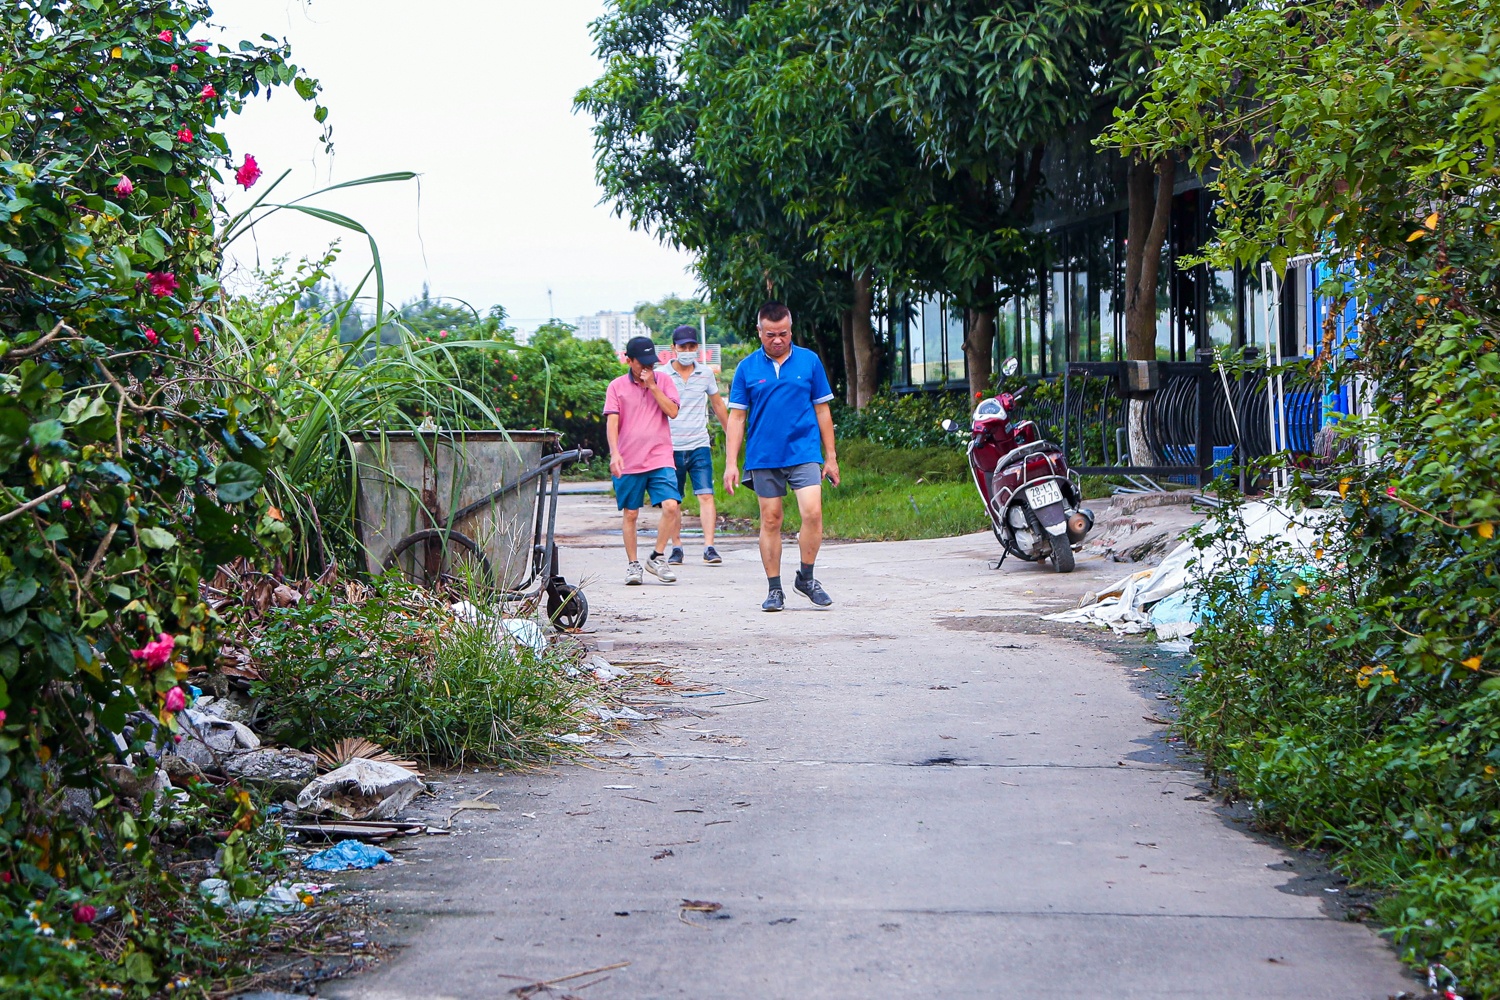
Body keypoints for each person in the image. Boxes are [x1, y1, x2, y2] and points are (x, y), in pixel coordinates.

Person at [723, 301, 840, 612]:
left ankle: (806, 578)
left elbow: (822, 410)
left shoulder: (809, 361)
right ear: (759, 332)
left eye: (784, 334)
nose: (778, 340)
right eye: (771, 334)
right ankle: (774, 589)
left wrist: (831, 457)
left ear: (791, 330)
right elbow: (737, 418)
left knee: (812, 513)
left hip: (804, 451)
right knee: (771, 518)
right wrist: (731, 463)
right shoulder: (747, 368)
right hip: (764, 455)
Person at [603, 335, 682, 585]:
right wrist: (615, 453)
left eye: (651, 363)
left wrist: (653, 387)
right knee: (631, 513)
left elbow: (672, 411)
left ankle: (657, 557)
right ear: (629, 360)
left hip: (660, 456)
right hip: (629, 459)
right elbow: (612, 422)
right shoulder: (616, 386)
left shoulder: (664, 381)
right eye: (642, 363)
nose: (648, 367)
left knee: (671, 505)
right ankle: (633, 564)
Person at [661, 325, 730, 566]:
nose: (687, 351)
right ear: (673, 348)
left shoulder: (705, 373)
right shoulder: (661, 375)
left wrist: (731, 434)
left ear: (697, 348)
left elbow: (717, 404)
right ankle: (676, 547)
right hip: (670, 446)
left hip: (699, 444)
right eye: (683, 347)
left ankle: (709, 546)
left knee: (706, 495)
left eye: (691, 346)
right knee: (674, 500)